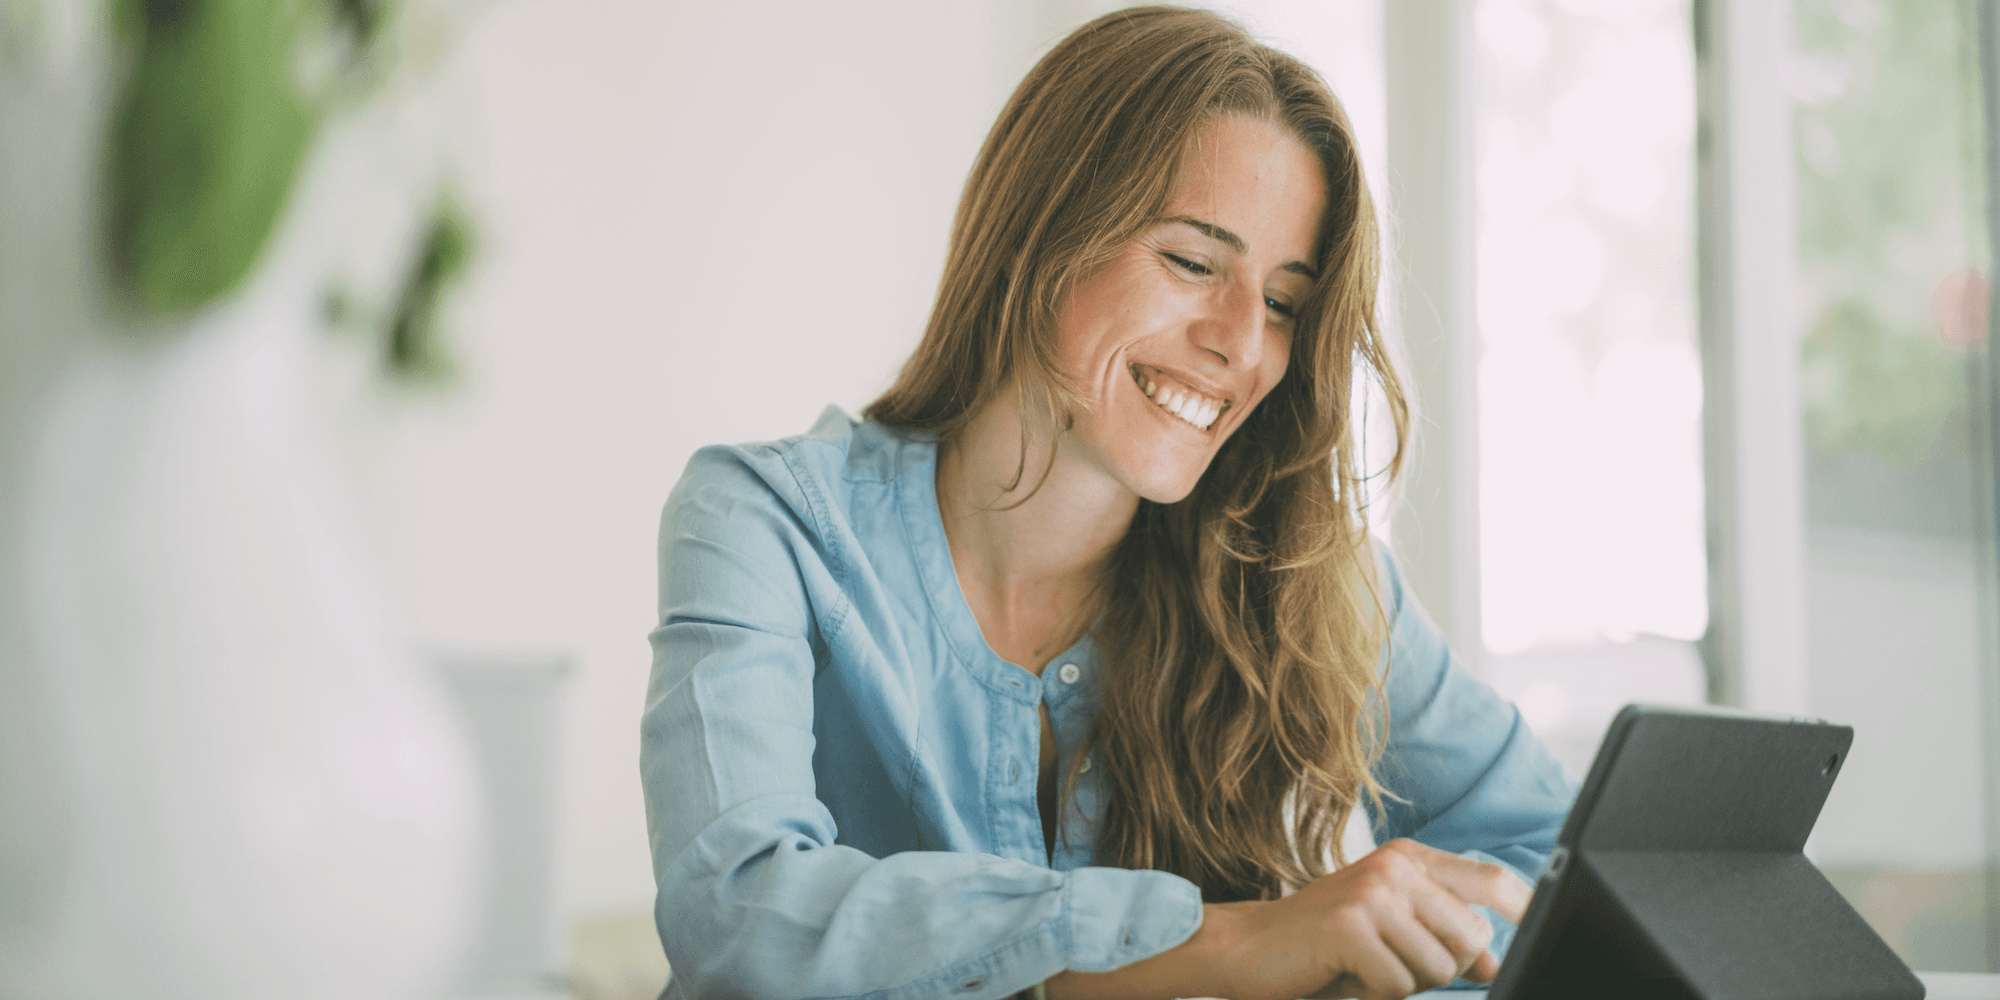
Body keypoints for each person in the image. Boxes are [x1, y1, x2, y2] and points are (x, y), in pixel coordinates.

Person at [641, 7, 1575, 999]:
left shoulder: (1308, 579)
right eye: (1191, 262)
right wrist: (1225, 943)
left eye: (1283, 303)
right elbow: (737, 912)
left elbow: (1547, 853)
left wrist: (1382, 958)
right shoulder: (765, 522)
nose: (1237, 342)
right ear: (1037, 233)